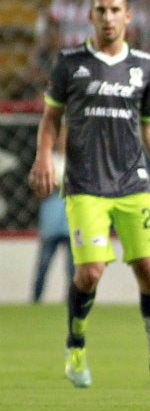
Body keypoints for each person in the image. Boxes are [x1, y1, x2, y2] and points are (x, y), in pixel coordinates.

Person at [27, 0, 150, 390]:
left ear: (128, 15)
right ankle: (75, 344)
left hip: (134, 184)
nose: (109, 17)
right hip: (85, 184)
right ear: (90, 14)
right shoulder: (69, 63)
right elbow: (50, 119)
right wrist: (44, 156)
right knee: (91, 272)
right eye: (101, 10)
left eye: (116, 10)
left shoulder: (144, 66)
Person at [30, 129, 74, 303]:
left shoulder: (77, 163)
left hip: (72, 222)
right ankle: (36, 300)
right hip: (51, 221)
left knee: (72, 268)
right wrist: (49, 186)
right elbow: (37, 192)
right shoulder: (46, 161)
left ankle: (72, 302)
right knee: (43, 264)